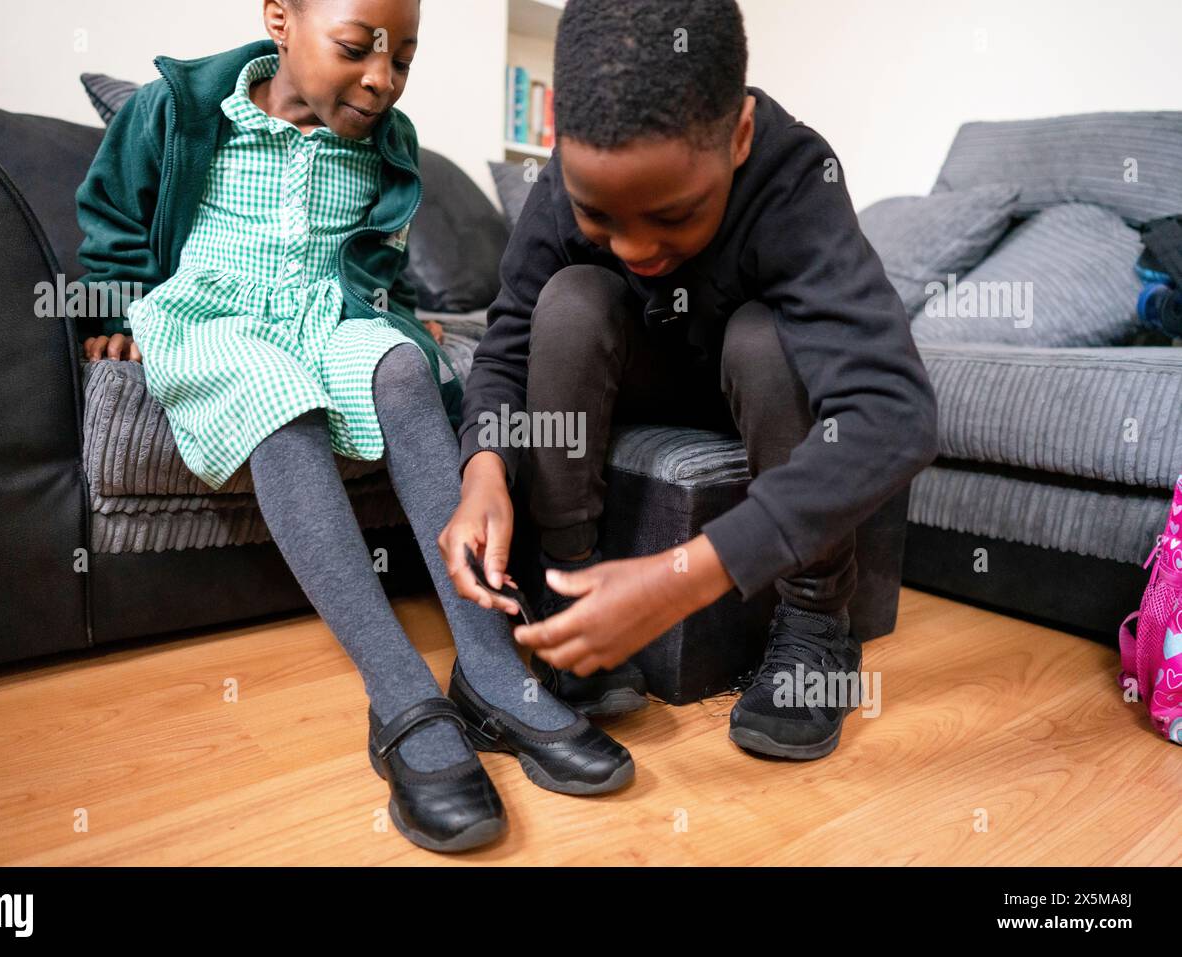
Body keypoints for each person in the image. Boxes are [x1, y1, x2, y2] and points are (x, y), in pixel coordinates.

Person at [74, 0, 632, 854]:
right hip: (214, 318)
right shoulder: (181, 106)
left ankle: (489, 671)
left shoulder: (384, 140)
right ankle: (403, 694)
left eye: (403, 58)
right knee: (276, 392)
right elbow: (115, 211)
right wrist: (111, 305)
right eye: (357, 49)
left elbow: (373, 258)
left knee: (408, 367)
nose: (381, 78)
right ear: (280, 21)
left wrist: (396, 316)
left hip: (326, 312)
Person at [440, 0, 938, 760]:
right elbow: (507, 337)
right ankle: (571, 589)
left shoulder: (795, 176)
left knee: (765, 335)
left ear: (737, 138)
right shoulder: (563, 178)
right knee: (569, 301)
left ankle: (815, 625)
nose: (637, 246)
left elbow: (895, 412)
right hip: (642, 370)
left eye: (674, 214)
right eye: (599, 215)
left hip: (751, 387)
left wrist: (684, 574)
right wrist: (483, 473)